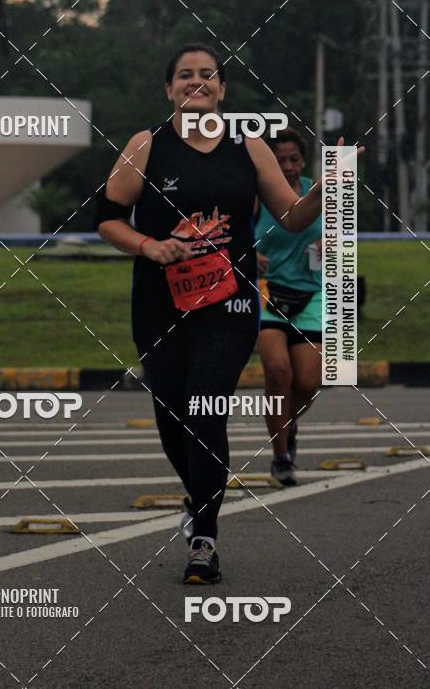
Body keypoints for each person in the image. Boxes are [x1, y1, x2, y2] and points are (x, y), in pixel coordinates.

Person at [96, 43, 344, 585]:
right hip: (159, 304)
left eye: (208, 75)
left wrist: (330, 187)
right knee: (172, 420)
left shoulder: (249, 147)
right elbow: (108, 218)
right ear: (169, 89)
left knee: (206, 408)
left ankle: (204, 537)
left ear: (223, 89)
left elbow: (293, 216)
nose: (197, 83)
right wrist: (147, 245)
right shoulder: (148, 145)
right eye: (185, 75)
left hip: (228, 305)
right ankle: (199, 496)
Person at [255, 129, 322, 487]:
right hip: (267, 293)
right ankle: (281, 456)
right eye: (279, 160)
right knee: (278, 373)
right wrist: (249, 254)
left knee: (308, 382)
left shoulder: (318, 190)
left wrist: (333, 243)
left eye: (293, 159)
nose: (287, 167)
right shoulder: (257, 195)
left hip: (311, 294)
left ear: (303, 161)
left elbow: (343, 235)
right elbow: (230, 233)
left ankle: (287, 423)